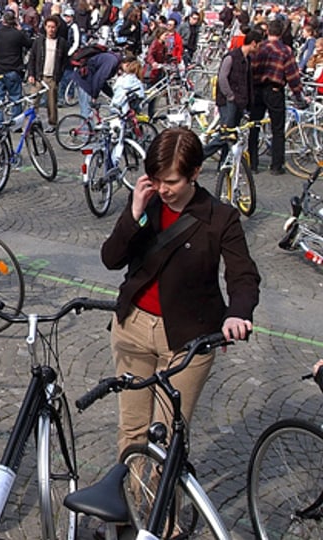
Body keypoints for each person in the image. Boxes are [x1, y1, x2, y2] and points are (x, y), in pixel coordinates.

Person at [101, 126, 261, 459]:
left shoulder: (220, 218)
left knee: (165, 439)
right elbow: (111, 259)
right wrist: (134, 213)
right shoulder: (147, 204)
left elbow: (243, 276)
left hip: (187, 339)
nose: (162, 189)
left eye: (171, 182)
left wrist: (238, 313)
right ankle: (136, 508)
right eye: (155, 179)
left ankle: (165, 512)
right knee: (132, 430)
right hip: (132, 328)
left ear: (195, 174)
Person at [249, 18, 307, 176]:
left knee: (254, 126)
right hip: (275, 90)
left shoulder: (259, 47)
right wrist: (298, 94)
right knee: (277, 129)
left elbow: (251, 68)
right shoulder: (285, 50)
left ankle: (252, 163)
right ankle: (276, 165)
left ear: (267, 31)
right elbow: (292, 75)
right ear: (281, 33)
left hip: (258, 90)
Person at [202, 29, 262, 162]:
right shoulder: (231, 57)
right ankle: (199, 155)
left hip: (238, 102)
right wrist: (230, 96)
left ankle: (224, 163)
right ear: (253, 43)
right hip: (228, 101)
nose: (259, 48)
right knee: (226, 134)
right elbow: (222, 78)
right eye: (259, 44)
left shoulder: (247, 59)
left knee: (231, 135)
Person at [26, 15, 67, 131]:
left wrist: (59, 75)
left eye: (53, 27)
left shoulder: (61, 42)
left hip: (52, 77)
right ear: (45, 27)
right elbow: (32, 58)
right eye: (49, 27)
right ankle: (29, 122)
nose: (51, 29)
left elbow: (64, 61)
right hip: (39, 76)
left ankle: (52, 124)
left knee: (52, 103)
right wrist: (31, 74)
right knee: (33, 100)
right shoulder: (39, 41)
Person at [0, 10, 31, 126]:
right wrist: (21, 30)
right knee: (15, 98)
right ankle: (15, 124)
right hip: (13, 69)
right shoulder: (17, 34)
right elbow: (29, 43)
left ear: (3, 20)